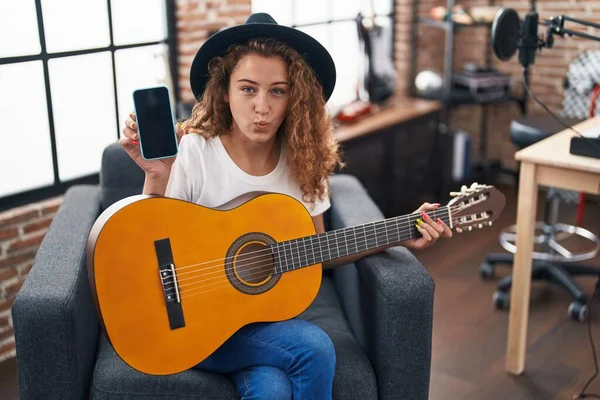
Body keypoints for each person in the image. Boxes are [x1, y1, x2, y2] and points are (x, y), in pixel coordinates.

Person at [120, 12, 452, 400]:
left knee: (273, 390)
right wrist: (157, 176)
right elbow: (146, 244)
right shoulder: (195, 150)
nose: (262, 107)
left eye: (277, 90)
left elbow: (319, 250)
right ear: (224, 91)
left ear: (296, 96)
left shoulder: (304, 160)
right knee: (312, 349)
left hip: (260, 320)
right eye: (248, 89)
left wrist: (399, 234)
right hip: (189, 323)